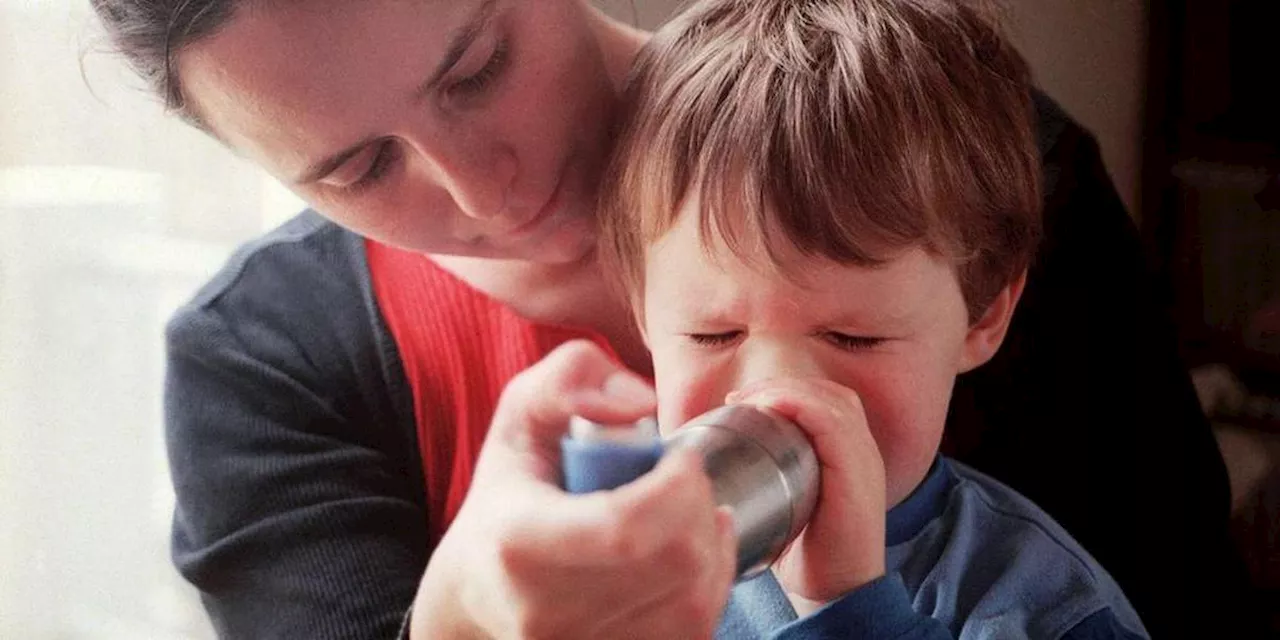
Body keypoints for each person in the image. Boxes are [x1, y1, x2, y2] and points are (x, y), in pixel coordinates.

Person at [87, 0, 1257, 638]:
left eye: (478, 63)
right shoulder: (265, 360)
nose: (486, 192)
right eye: (354, 166)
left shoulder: (961, 172)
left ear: (981, 305)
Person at [589, 0, 1146, 636]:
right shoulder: (615, 548)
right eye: (713, 333)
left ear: (982, 315)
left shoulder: (1044, 610)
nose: (776, 394)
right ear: (640, 312)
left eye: (854, 337)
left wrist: (849, 607)